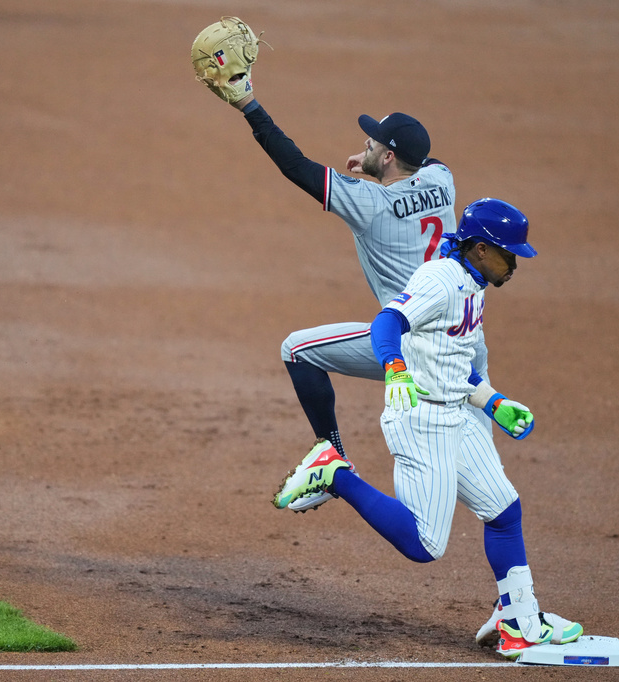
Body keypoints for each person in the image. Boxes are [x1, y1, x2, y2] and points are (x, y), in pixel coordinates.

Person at [271, 198, 583, 658]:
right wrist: (394, 368)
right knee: (424, 544)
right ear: (479, 249)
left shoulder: (476, 283)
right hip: (423, 419)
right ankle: (332, 474)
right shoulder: (439, 281)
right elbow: (387, 323)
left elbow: (456, 363)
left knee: (503, 510)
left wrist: (494, 403)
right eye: (508, 254)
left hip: (456, 411)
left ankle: (519, 618)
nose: (514, 263)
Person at [226, 88, 492, 513]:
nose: (366, 142)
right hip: (465, 343)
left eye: (374, 141)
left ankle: (332, 459)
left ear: (388, 157)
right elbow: (425, 162)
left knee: (297, 350)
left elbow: (294, 165)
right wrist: (376, 166)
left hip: (410, 347)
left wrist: (248, 106)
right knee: (487, 488)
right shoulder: (444, 182)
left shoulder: (369, 203)